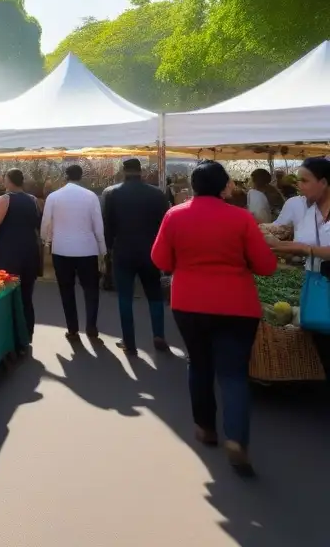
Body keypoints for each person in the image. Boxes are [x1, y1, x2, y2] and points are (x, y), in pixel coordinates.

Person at [151, 160, 276, 475]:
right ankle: (236, 439)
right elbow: (266, 266)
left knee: (199, 364)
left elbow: (161, 259)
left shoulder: (174, 215)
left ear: (193, 186)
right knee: (233, 374)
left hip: (189, 304)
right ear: (225, 186)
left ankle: (206, 428)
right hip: (237, 306)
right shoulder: (241, 218)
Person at [264, 157, 330, 375]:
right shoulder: (310, 211)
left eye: (305, 180)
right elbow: (303, 244)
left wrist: (306, 251)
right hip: (318, 285)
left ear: (324, 182)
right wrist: (275, 245)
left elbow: (306, 247)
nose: (299, 185)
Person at [103, 158, 170, 356]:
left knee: (125, 297)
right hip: (151, 251)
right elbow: (164, 226)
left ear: (123, 171)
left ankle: (129, 341)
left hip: (123, 251)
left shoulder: (113, 193)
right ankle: (159, 335)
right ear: (141, 171)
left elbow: (109, 226)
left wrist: (107, 250)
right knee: (155, 295)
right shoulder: (157, 194)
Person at [42, 164, 106, 340]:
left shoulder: (54, 197)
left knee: (66, 289)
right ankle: (91, 325)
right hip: (87, 249)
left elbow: (46, 222)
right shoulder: (91, 196)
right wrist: (102, 249)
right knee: (91, 289)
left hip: (61, 248)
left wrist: (46, 240)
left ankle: (72, 328)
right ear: (81, 176)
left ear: (65, 176)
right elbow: (98, 225)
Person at [0, 169, 40, 342]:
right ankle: (28, 333)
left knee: (8, 294)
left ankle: (11, 337)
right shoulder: (33, 200)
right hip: (30, 251)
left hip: (10, 252)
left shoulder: (5, 199)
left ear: (9, 181)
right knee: (27, 295)